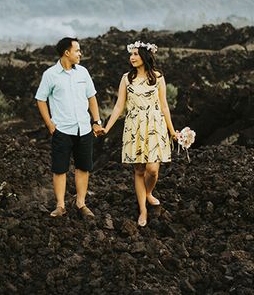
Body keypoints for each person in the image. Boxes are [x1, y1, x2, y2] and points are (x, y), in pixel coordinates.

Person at [103, 41, 178, 227]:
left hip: (155, 125)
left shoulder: (158, 77)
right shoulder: (126, 78)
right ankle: (143, 209)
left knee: (152, 170)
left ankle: (148, 192)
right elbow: (119, 106)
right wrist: (107, 128)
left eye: (136, 54)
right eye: (131, 54)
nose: (132, 57)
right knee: (139, 170)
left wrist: (172, 130)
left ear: (145, 57)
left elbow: (164, 106)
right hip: (134, 126)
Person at [35, 37, 105, 218]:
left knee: (83, 167)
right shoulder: (50, 75)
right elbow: (40, 99)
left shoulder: (83, 72)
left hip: (84, 128)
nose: (80, 54)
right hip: (62, 130)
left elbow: (92, 98)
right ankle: (60, 206)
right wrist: (50, 124)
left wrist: (96, 121)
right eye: (77, 50)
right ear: (67, 52)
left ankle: (81, 203)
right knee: (60, 169)